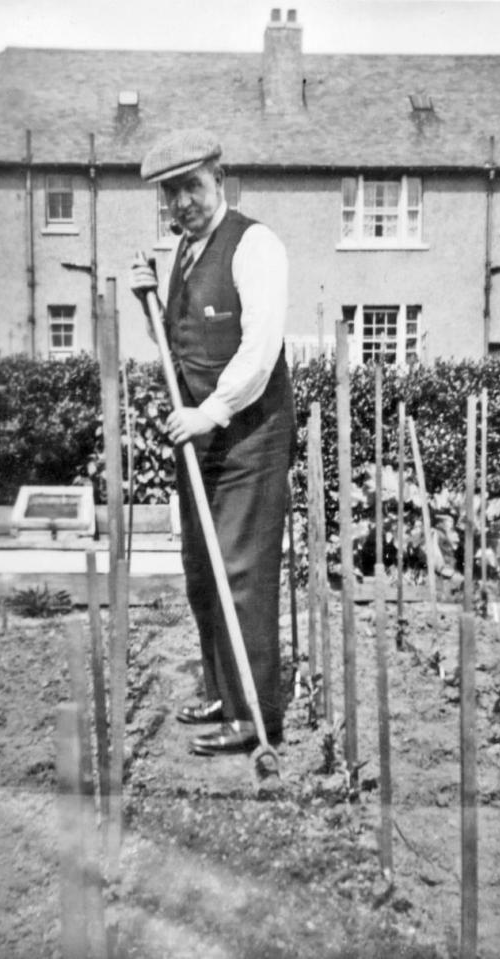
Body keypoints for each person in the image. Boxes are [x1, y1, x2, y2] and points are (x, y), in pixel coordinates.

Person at [130, 128, 295, 755]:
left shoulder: (255, 244)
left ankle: (256, 719)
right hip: (201, 435)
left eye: (192, 188)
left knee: (242, 572)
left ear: (219, 182)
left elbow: (259, 350)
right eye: (171, 195)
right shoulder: (181, 255)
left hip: (250, 432)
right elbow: (180, 350)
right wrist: (151, 299)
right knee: (202, 572)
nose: (183, 204)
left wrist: (212, 411)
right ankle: (226, 694)